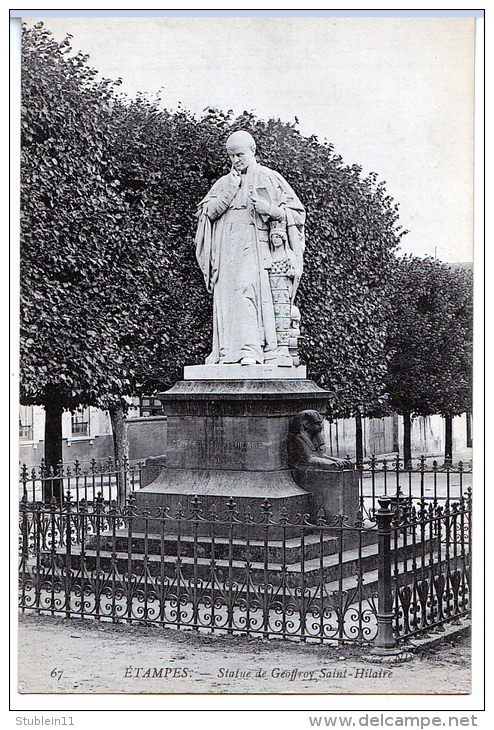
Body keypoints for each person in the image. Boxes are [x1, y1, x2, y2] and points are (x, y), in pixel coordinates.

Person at [195, 130, 305, 365]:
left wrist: (270, 209)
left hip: (254, 245)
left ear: (253, 151)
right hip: (225, 247)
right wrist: (229, 192)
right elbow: (207, 214)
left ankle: (250, 350)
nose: (235, 160)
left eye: (240, 154)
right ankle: (225, 352)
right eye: (231, 155)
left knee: (247, 291)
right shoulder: (224, 183)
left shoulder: (269, 177)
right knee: (225, 296)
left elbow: (297, 214)